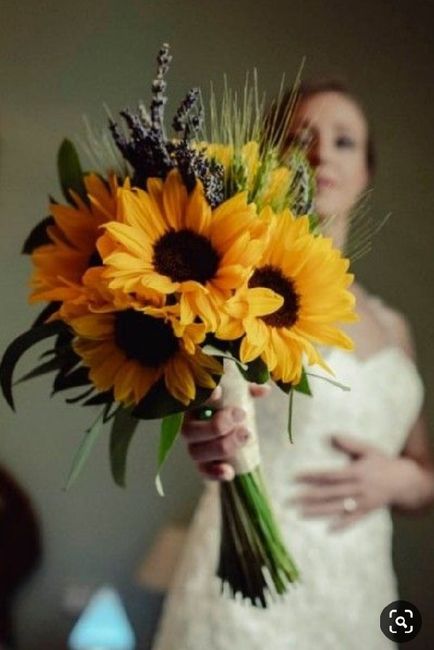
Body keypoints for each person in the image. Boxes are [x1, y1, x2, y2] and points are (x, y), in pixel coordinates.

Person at [151, 80, 434, 650]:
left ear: (366, 173)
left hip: (361, 592)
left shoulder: (394, 327)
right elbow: (200, 404)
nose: (321, 152)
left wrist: (404, 480)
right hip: (247, 592)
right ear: (268, 159)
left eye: (344, 141)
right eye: (300, 137)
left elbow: (421, 471)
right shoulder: (231, 290)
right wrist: (204, 427)